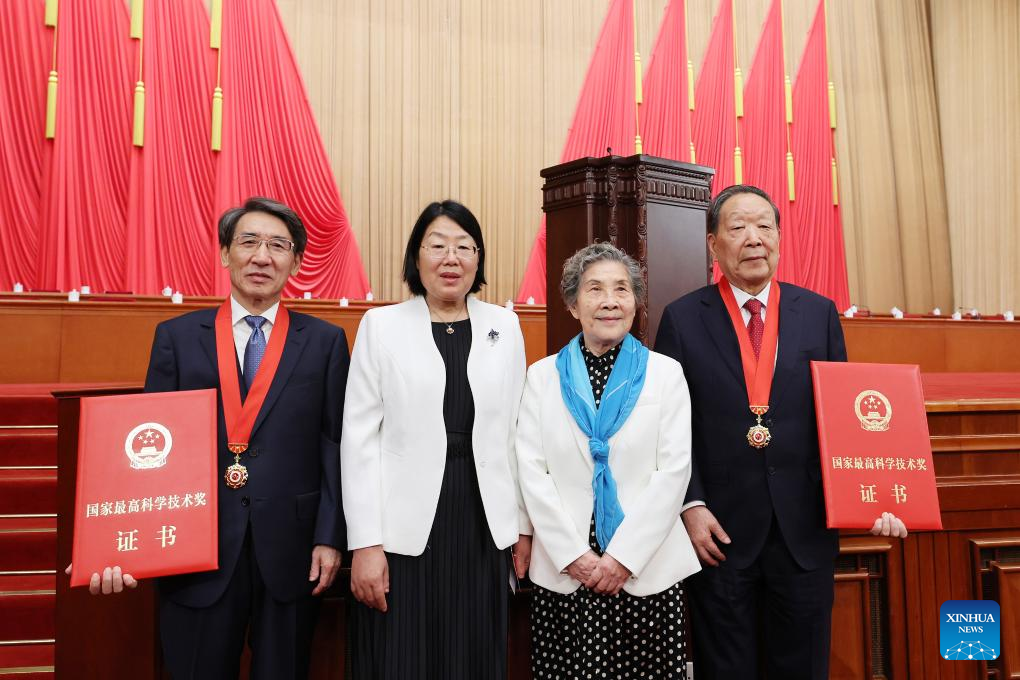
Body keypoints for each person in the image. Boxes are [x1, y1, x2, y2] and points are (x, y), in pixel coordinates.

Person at [74, 197, 349, 680]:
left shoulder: (325, 342)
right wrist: (122, 548)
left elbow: (334, 445)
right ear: (226, 253)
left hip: (292, 550)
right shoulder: (177, 338)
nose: (262, 256)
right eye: (248, 242)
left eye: (278, 246)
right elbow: (149, 446)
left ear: (297, 262)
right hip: (195, 553)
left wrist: (329, 537)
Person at [654, 184, 907, 680]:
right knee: (725, 669)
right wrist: (691, 503)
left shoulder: (818, 312)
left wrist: (874, 492)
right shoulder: (682, 319)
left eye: (764, 226)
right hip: (719, 534)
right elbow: (668, 426)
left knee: (803, 667)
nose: (753, 238)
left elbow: (847, 417)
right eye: (738, 227)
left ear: (779, 237)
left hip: (804, 529)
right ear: (713, 244)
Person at [340, 200, 531, 679]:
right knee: (403, 654)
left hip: (483, 519)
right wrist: (365, 544)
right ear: (416, 257)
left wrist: (523, 526)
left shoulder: (504, 327)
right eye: (438, 246)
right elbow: (358, 441)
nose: (452, 258)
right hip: (403, 528)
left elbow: (517, 434)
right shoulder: (380, 326)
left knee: (474, 651)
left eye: (465, 247)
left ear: (478, 259)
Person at [515, 242, 700, 679]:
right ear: (572, 304)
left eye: (622, 289)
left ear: (636, 301)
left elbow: (673, 473)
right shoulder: (542, 377)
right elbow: (531, 471)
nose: (610, 301)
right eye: (595, 289)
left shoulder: (665, 373)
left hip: (646, 570)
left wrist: (621, 559)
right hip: (566, 571)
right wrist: (575, 555)